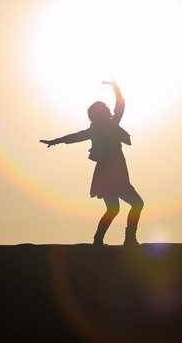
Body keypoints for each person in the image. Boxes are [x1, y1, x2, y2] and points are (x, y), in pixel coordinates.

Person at [40, 80, 144, 246]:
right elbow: (119, 107)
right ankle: (128, 239)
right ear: (103, 113)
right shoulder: (108, 126)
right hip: (113, 173)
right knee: (135, 204)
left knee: (114, 209)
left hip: (107, 174)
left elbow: (75, 136)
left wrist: (56, 141)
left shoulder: (100, 128)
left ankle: (101, 240)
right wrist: (116, 90)